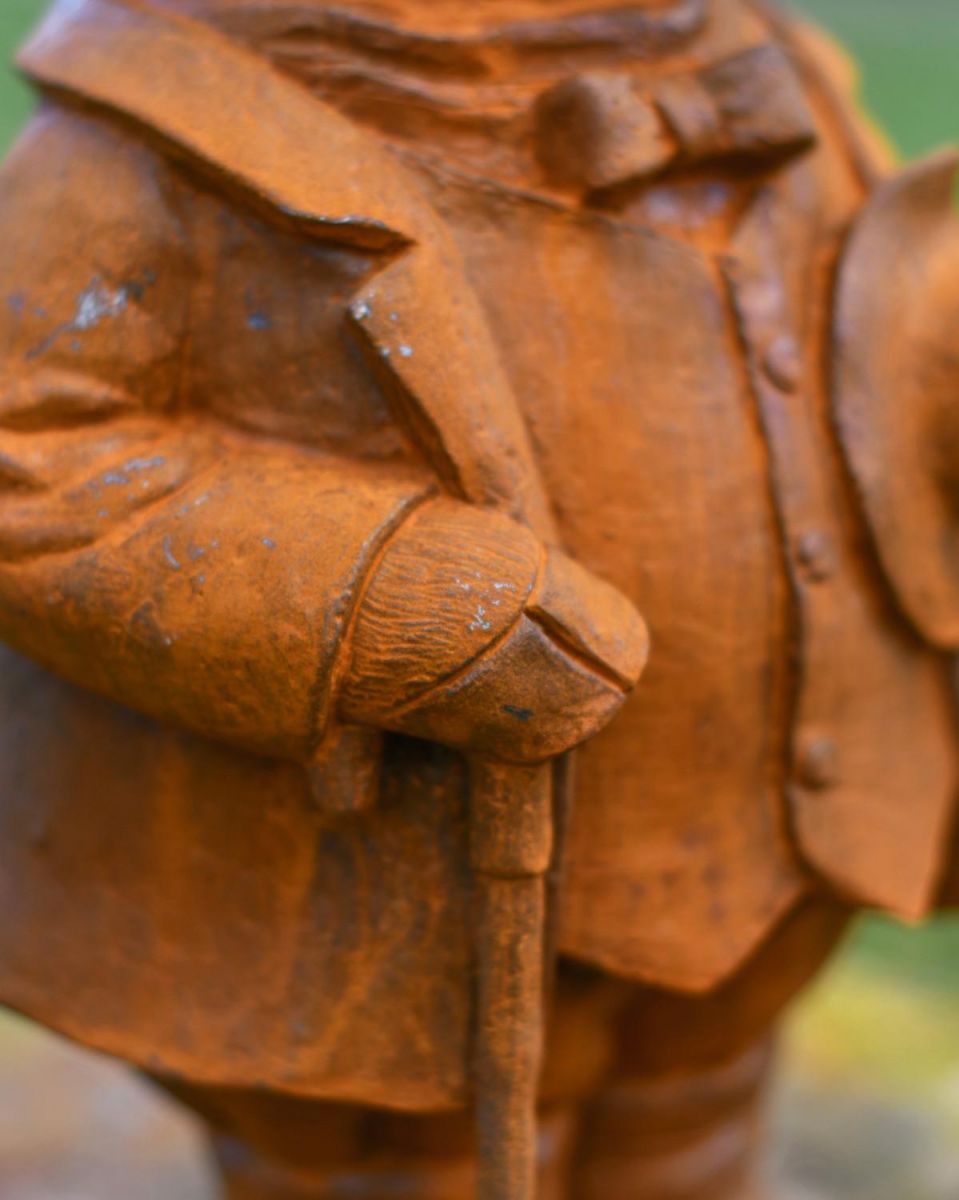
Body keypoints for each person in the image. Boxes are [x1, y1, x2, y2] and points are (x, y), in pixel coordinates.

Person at [0, 0, 957, 1195]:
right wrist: (368, 592)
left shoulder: (771, 69)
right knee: (398, 1167)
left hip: (762, 835)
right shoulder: (160, 126)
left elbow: (866, 311)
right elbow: (30, 452)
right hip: (383, 899)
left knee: (688, 1120)